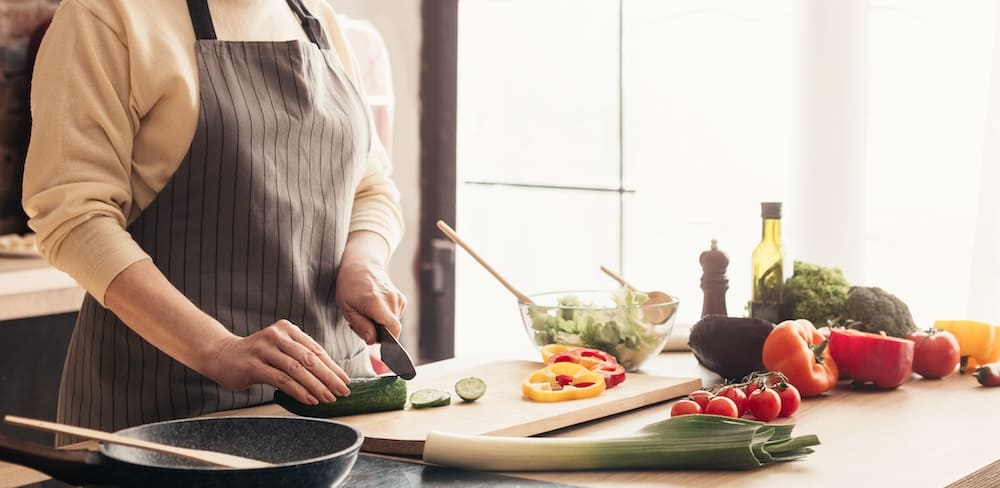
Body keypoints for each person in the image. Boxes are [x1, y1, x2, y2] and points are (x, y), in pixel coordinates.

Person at [21, 0, 406, 442]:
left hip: (334, 410)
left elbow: (371, 185)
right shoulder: (107, 14)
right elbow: (74, 216)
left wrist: (363, 262)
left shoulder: (315, 17)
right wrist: (217, 349)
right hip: (160, 420)